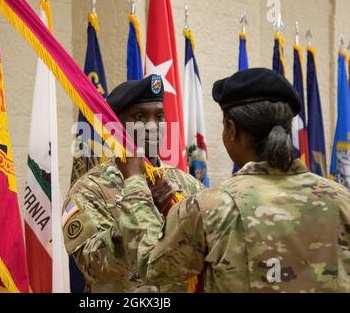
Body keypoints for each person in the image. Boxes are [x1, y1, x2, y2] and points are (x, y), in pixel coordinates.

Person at [115, 68, 350, 292]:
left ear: (231, 129)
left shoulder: (211, 207)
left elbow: (150, 266)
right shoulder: (341, 200)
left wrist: (135, 183)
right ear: (288, 130)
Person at [61, 74, 202, 293]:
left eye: (159, 116)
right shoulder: (89, 189)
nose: (153, 126)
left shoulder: (187, 183)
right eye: (140, 116)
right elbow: (93, 267)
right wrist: (138, 209)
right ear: (116, 128)